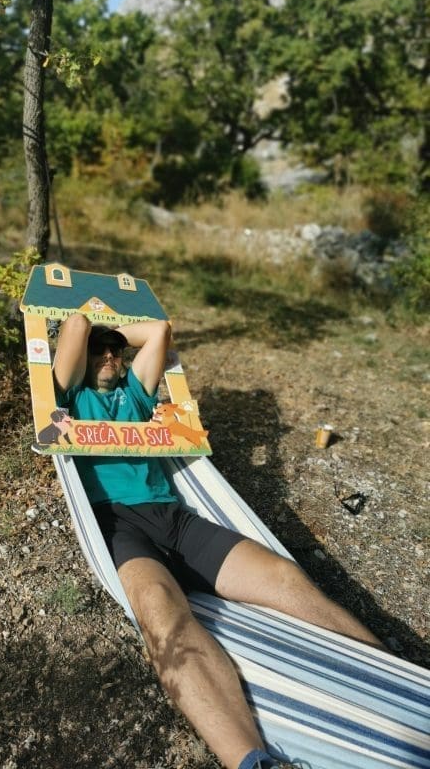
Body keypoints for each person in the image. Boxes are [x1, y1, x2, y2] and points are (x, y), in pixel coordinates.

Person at [53, 313, 384, 769]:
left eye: (116, 350)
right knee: (162, 616)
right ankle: (251, 761)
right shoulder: (71, 397)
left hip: (173, 517)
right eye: (99, 350)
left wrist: (112, 342)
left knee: (285, 577)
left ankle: (396, 676)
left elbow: (158, 330)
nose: (109, 355)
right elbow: (74, 324)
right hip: (117, 524)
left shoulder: (134, 393)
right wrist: (93, 334)